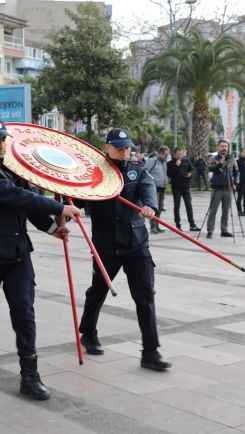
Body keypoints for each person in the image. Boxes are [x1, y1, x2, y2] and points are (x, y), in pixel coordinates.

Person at [0, 117, 81, 401]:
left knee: (24, 312)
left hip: (16, 253)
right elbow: (16, 197)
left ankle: (30, 376)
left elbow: (26, 201)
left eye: (3, 139)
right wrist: (59, 207)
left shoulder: (10, 165)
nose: (1, 145)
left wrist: (52, 227)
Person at [78, 128, 171, 371]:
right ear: (106, 147)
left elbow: (147, 188)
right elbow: (77, 198)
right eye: (119, 147)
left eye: (127, 147)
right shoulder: (93, 173)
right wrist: (66, 204)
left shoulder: (136, 170)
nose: (124, 151)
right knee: (98, 291)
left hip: (136, 244)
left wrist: (150, 206)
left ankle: (150, 352)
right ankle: (87, 332)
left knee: (145, 296)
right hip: (107, 245)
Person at [206, 140, 238, 239]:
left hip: (228, 188)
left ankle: (224, 230)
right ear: (218, 147)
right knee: (213, 210)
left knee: (226, 211)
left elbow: (236, 172)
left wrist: (235, 183)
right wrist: (220, 163)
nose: (224, 148)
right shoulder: (213, 158)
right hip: (217, 188)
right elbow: (210, 168)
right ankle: (210, 230)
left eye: (226, 146)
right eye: (222, 146)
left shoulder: (231, 159)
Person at [167, 147, 200, 231]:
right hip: (176, 187)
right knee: (177, 206)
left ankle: (192, 224)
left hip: (186, 187)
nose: (180, 155)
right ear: (174, 154)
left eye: (181, 154)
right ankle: (178, 225)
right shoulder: (170, 163)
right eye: (178, 154)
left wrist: (190, 174)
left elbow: (192, 169)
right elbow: (170, 174)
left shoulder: (186, 160)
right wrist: (176, 166)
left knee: (189, 205)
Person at [144, 146, 169, 234]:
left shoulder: (164, 162)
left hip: (162, 188)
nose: (166, 156)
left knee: (160, 208)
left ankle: (157, 226)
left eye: (167, 154)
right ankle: (153, 227)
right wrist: (152, 180)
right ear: (160, 153)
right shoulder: (153, 161)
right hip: (154, 188)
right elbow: (145, 171)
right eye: (165, 154)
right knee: (154, 207)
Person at [236, 147, 245, 216]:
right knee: (239, 197)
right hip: (240, 182)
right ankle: (239, 210)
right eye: (244, 152)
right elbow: (235, 172)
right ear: (241, 153)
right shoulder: (238, 161)